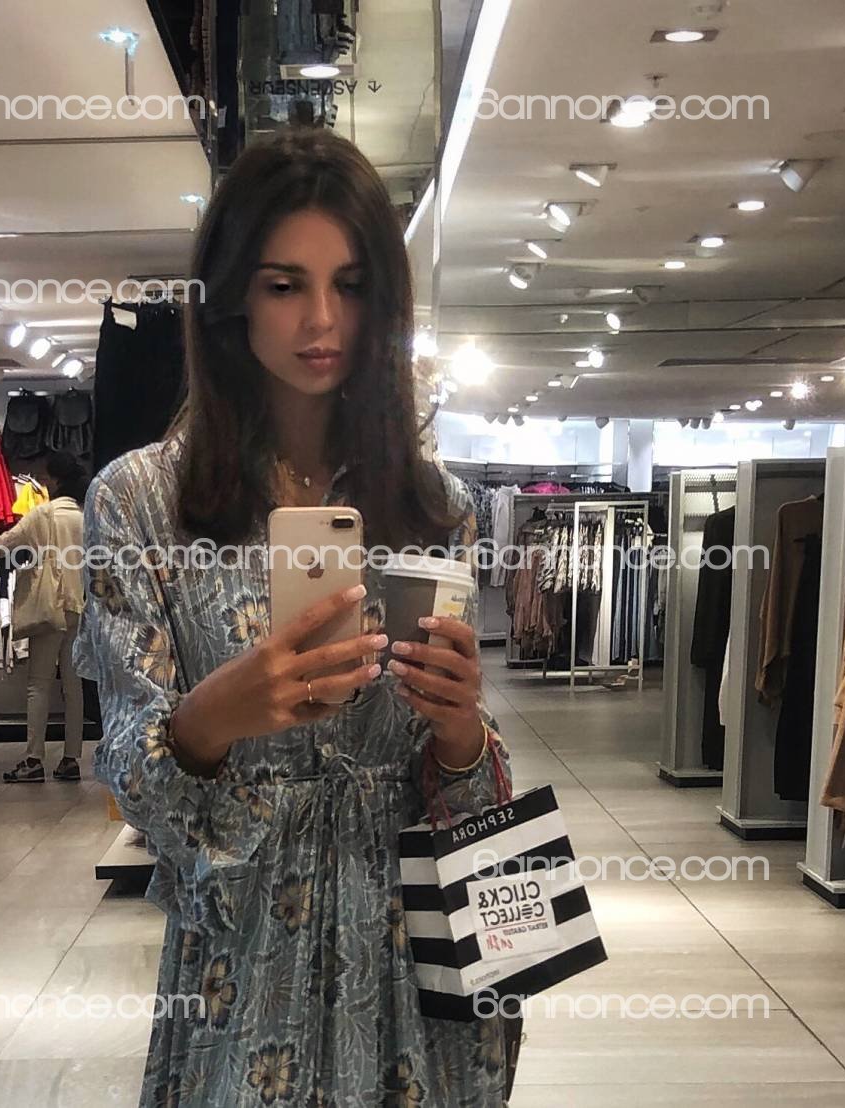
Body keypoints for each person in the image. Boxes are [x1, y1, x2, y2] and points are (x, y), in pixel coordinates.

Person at [74, 128, 515, 1105]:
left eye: (350, 286)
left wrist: (459, 730)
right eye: (284, 284)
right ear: (234, 296)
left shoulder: (434, 507)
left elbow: (467, 781)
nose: (322, 320)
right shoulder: (142, 503)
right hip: (240, 961)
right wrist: (211, 718)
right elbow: (130, 772)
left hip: (406, 957)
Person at [0, 450, 88, 783]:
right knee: (74, 686)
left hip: (49, 607)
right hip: (79, 608)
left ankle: (34, 760)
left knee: (39, 684)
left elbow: (6, 542)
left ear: (54, 480)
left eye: (45, 477)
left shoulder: (43, 515)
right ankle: (71, 759)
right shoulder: (85, 516)